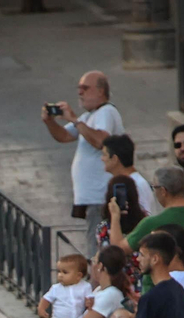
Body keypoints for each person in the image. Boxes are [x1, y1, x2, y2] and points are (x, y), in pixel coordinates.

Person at [42, 71, 125, 254]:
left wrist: (74, 119)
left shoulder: (106, 112)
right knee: (95, 248)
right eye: (79, 88)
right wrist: (50, 122)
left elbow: (101, 141)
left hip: (100, 197)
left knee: (97, 253)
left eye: (85, 88)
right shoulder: (88, 117)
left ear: (101, 91)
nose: (80, 92)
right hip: (92, 199)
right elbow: (63, 136)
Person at [111, 167, 184, 255]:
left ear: (163, 191)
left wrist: (115, 216)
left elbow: (118, 250)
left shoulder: (151, 223)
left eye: (154, 187)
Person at [100, 135, 159, 221]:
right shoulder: (130, 182)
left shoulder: (137, 185)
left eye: (104, 155)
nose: (102, 159)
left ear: (114, 159)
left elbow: (146, 218)